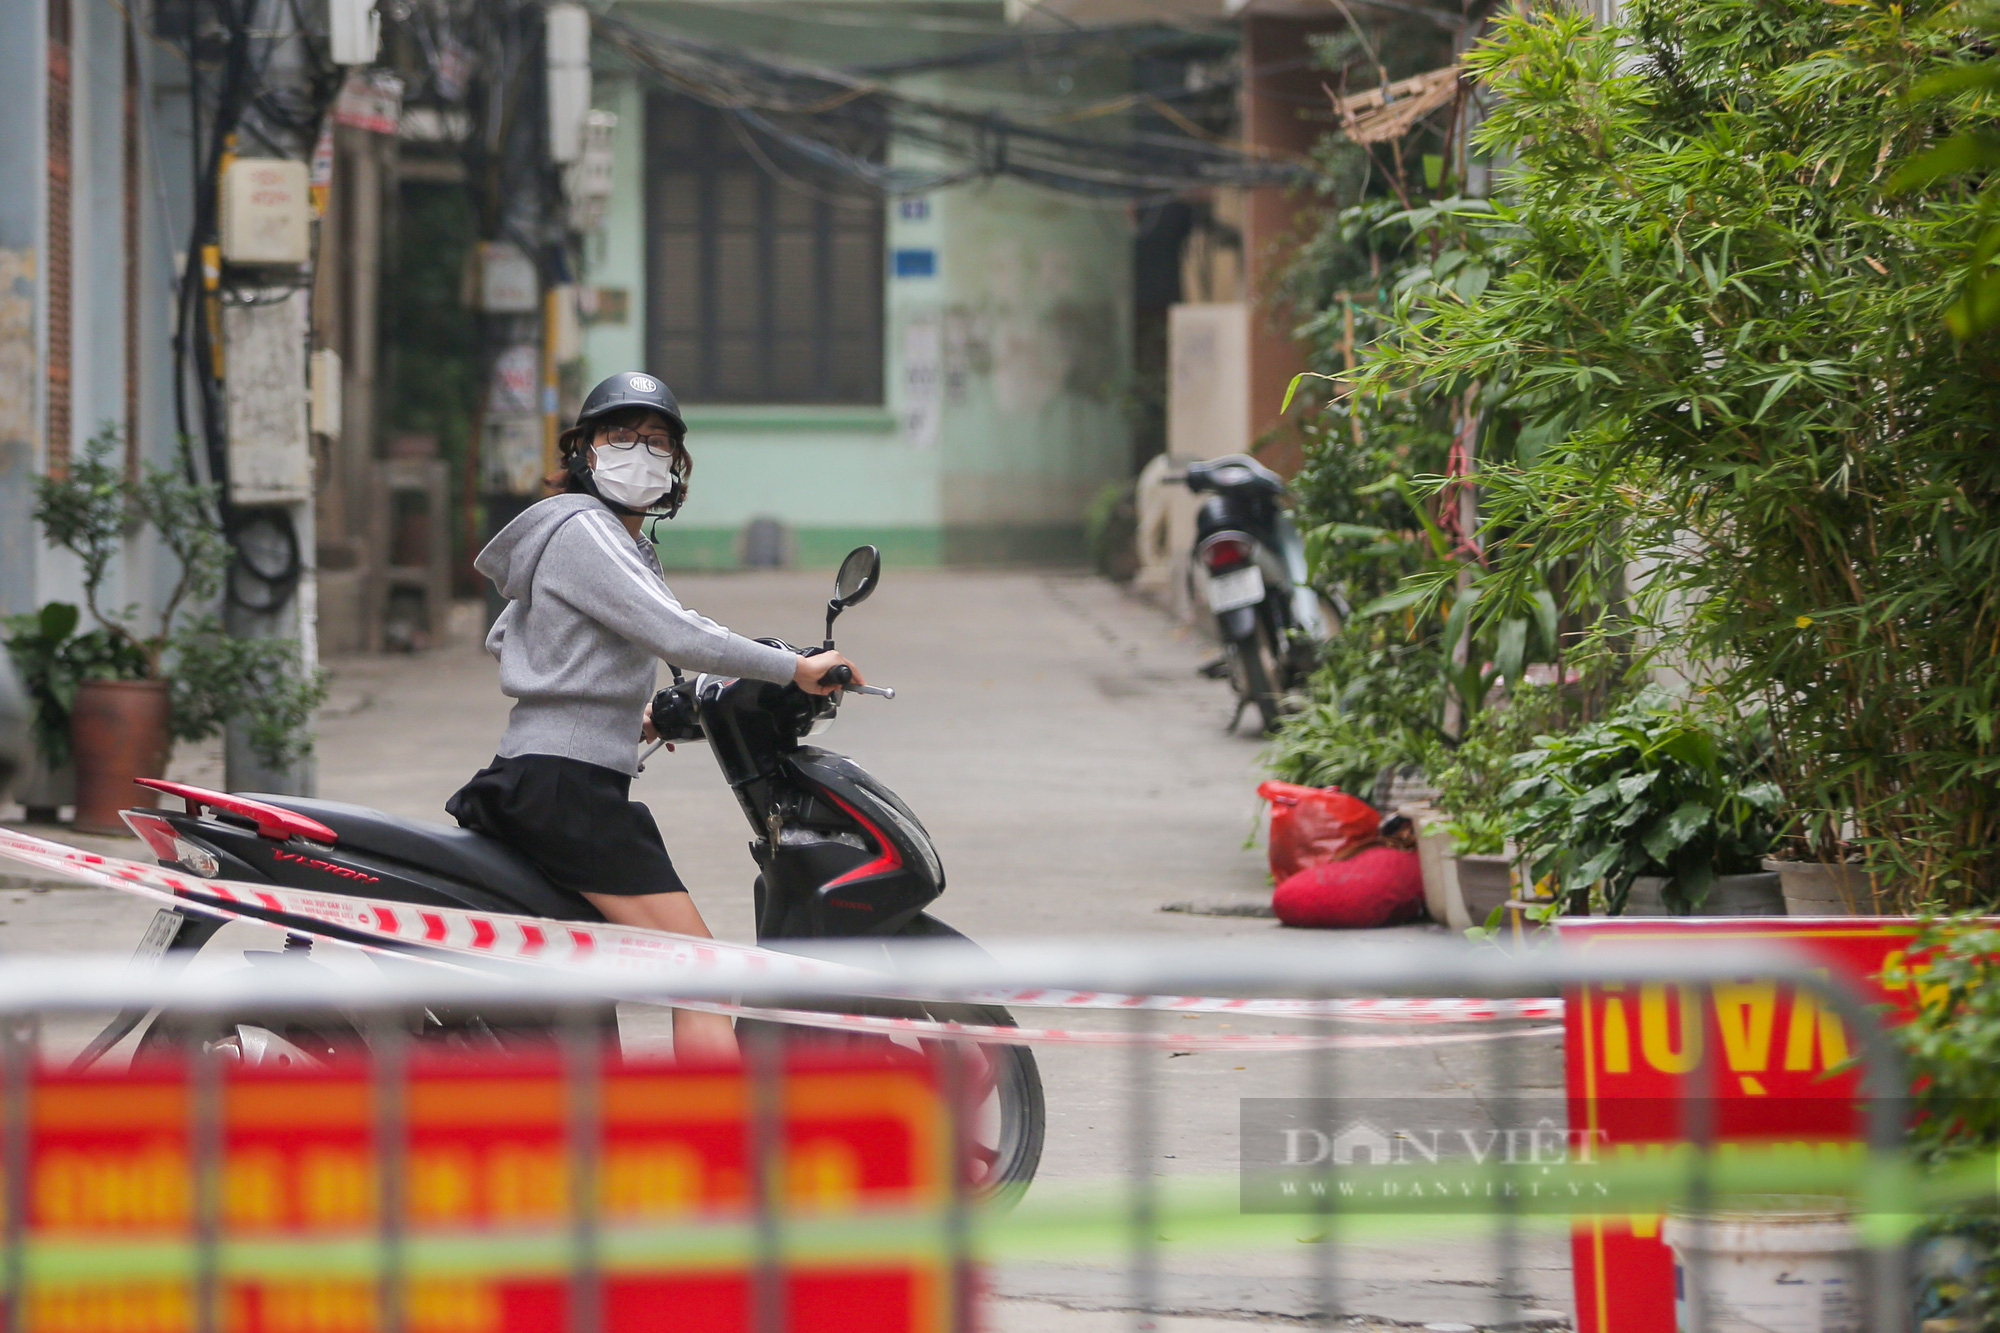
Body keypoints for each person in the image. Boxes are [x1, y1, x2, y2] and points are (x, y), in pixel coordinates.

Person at [447, 371, 863, 1061]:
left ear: (675, 469)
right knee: (698, 968)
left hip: (554, 778)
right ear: (583, 450)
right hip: (567, 790)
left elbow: (541, 642)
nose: (638, 453)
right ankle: (714, 1149)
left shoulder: (608, 539)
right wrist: (795, 666)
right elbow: (677, 633)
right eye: (620, 436)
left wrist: (630, 712)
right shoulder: (584, 528)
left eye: (656, 441)